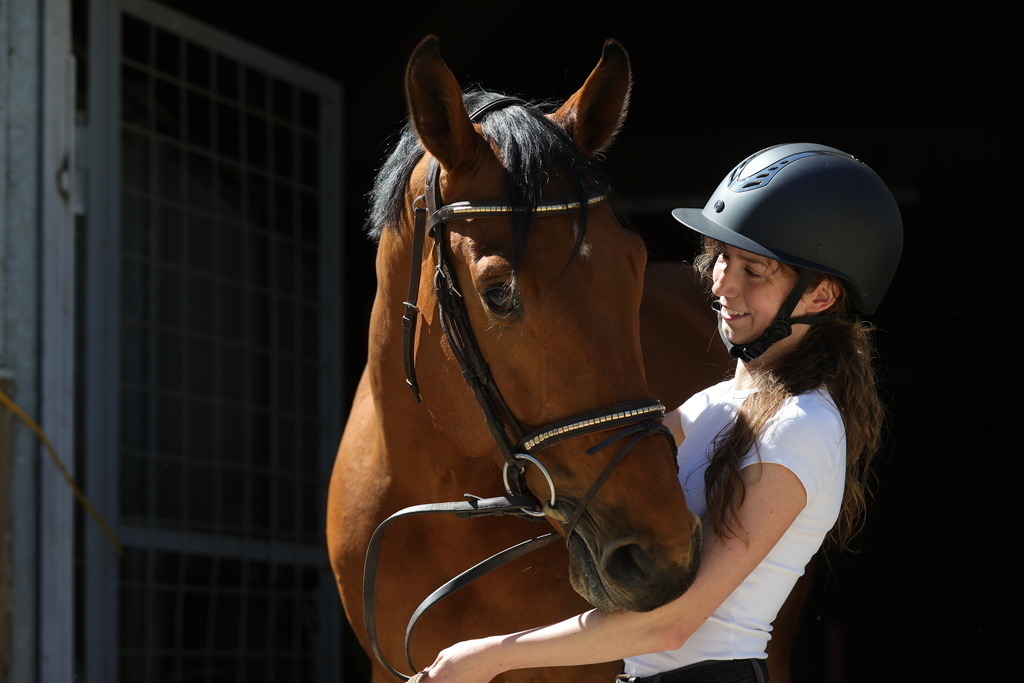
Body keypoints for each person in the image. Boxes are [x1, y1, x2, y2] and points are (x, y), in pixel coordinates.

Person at [416, 142, 904, 683]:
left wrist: (489, 657)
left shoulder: (802, 426)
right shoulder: (713, 405)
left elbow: (673, 625)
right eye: (722, 257)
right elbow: (593, 464)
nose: (722, 284)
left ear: (821, 296)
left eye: (753, 270)